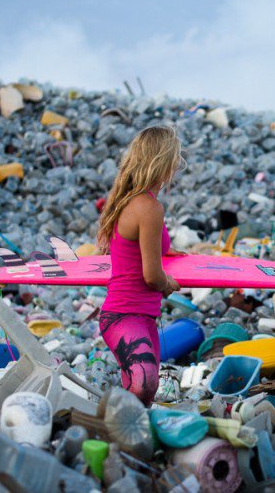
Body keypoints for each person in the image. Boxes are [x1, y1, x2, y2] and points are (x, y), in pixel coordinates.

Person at [96, 125, 185, 405]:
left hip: (142, 318)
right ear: (166, 163)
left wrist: (171, 251)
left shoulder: (132, 201)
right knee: (145, 382)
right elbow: (152, 277)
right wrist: (168, 284)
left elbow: (153, 244)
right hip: (124, 316)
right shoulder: (149, 208)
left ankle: (127, 442)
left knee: (142, 391)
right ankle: (112, 429)